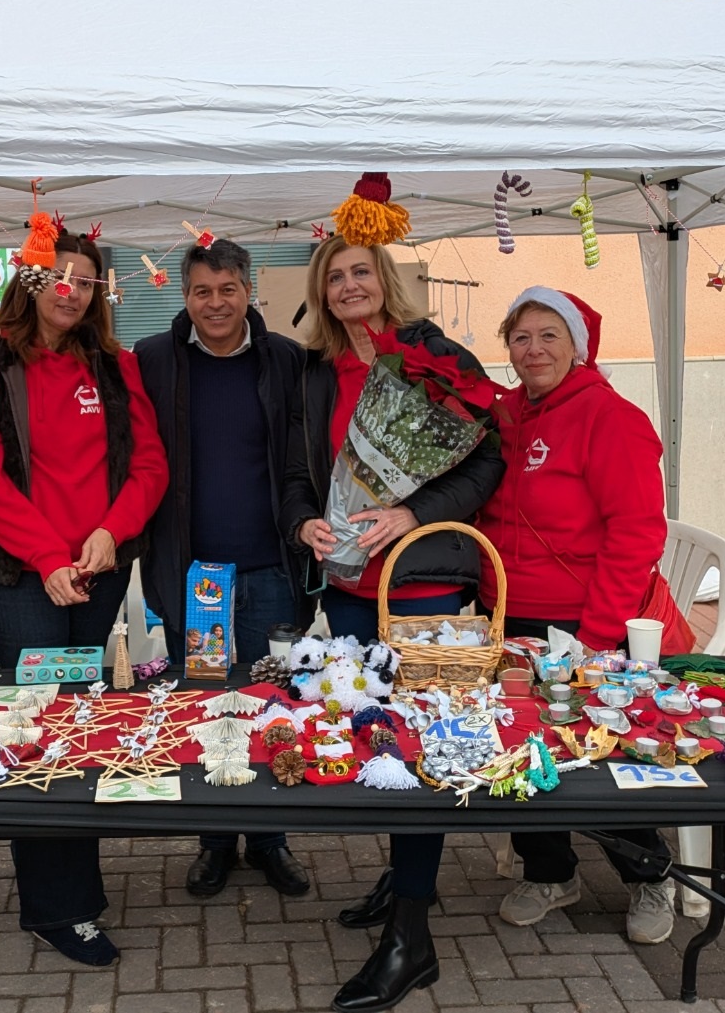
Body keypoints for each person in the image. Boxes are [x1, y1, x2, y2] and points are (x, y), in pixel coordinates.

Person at [280, 229, 503, 1013]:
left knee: (422, 745)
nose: (349, 285)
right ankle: (406, 877)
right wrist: (304, 519)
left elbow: (487, 459)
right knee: (379, 738)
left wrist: (414, 511)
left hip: (421, 588)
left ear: (384, 278)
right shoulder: (314, 371)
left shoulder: (432, 353)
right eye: (334, 276)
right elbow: (295, 468)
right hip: (348, 589)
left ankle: (412, 937)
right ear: (321, 290)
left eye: (361, 272)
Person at [0, 227, 168, 966]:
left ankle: (73, 887)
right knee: (37, 728)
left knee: (83, 720)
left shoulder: (116, 366)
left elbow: (149, 465)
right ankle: (58, 906)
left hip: (97, 572)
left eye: (85, 279)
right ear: (32, 282)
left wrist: (111, 532)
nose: (70, 290)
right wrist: (47, 556)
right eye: (57, 276)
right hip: (22, 579)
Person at [472, 286, 676, 944]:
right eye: (520, 337)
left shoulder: (610, 417)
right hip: (508, 616)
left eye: (548, 336)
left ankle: (649, 873)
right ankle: (551, 871)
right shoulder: (504, 414)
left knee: (598, 747)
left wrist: (596, 636)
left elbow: (636, 533)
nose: (532, 349)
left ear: (578, 347)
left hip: (580, 622)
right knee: (522, 745)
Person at [137, 239, 312, 899]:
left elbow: (301, 461)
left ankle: (270, 839)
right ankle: (214, 839)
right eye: (202, 291)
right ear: (185, 295)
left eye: (228, 289)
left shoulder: (285, 359)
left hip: (270, 569)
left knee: (269, 703)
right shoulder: (153, 360)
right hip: (194, 577)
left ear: (248, 289)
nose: (216, 303)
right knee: (206, 702)